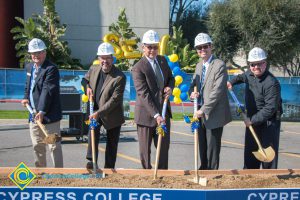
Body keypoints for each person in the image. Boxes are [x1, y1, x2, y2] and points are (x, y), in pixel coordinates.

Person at [227, 47, 282, 169]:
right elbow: (241, 77)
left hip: (268, 124)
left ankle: (269, 183)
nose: (256, 67)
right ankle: (249, 181)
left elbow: (270, 109)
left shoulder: (272, 83)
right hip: (252, 122)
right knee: (250, 156)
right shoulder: (249, 74)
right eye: (253, 64)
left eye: (259, 64)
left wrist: (251, 120)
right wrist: (232, 82)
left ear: (265, 63)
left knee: (268, 161)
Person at [132, 30, 174, 169]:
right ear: (143, 47)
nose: (152, 50)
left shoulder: (162, 60)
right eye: (149, 47)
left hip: (164, 112)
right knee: (145, 151)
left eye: (155, 46)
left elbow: (171, 78)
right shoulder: (138, 68)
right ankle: (147, 177)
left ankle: (163, 175)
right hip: (146, 116)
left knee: (163, 149)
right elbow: (144, 94)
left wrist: (169, 87)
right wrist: (156, 115)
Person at [189, 33, 232, 170]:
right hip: (200, 112)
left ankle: (213, 175)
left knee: (212, 149)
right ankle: (203, 170)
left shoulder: (219, 65)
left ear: (211, 46)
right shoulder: (198, 66)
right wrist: (191, 94)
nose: (202, 50)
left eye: (205, 46)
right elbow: (193, 84)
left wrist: (203, 109)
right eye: (199, 48)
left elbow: (217, 92)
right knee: (202, 145)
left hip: (213, 113)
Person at [81, 42, 126, 169]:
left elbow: (114, 100)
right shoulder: (93, 69)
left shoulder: (119, 76)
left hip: (112, 113)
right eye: (102, 57)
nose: (104, 61)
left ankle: (109, 169)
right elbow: (84, 80)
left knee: (112, 144)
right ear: (98, 58)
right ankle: (91, 161)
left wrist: (99, 113)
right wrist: (87, 88)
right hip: (95, 110)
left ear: (112, 58)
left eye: (107, 58)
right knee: (92, 132)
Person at [21, 38, 63, 168]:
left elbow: (47, 90)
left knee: (53, 146)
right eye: (33, 53)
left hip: (49, 116)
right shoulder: (29, 67)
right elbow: (28, 85)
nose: (36, 55)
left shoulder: (51, 69)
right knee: (37, 146)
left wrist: (42, 111)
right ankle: (41, 173)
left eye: (39, 52)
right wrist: (26, 97)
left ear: (44, 52)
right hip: (33, 115)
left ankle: (59, 175)